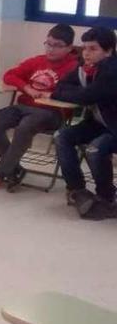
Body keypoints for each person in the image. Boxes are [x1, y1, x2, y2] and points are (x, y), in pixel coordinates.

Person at [0, 24, 77, 190]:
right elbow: (9, 75)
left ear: (69, 48)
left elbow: (74, 92)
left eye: (57, 45)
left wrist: (50, 95)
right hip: (24, 106)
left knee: (25, 126)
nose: (51, 49)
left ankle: (1, 173)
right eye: (48, 44)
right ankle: (15, 169)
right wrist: (27, 88)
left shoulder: (73, 67)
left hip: (51, 112)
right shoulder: (37, 61)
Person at [52, 27, 117, 221]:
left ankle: (106, 197)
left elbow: (90, 96)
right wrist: (79, 95)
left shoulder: (112, 69)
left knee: (95, 149)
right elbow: (59, 88)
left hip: (114, 127)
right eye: (85, 48)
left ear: (109, 51)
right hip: (100, 124)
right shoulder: (84, 69)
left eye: (93, 49)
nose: (86, 53)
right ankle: (77, 190)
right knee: (61, 136)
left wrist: (80, 95)